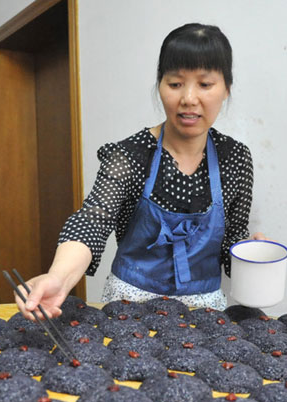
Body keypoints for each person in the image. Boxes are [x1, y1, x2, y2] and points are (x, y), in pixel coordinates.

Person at [17, 23, 264, 319]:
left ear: (226, 89)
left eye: (205, 84)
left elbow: (232, 239)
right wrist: (58, 276)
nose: (188, 98)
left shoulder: (235, 158)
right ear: (160, 86)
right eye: (175, 84)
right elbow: (92, 220)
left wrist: (250, 256)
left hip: (206, 313)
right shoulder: (129, 156)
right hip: (129, 308)